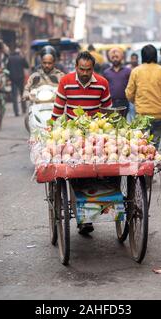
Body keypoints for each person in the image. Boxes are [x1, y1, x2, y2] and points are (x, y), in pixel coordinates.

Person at [51, 51, 112, 235]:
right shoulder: (66, 81)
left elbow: (107, 111)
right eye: (81, 69)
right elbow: (58, 109)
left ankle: (90, 211)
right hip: (72, 132)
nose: (85, 73)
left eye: (88, 69)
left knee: (97, 172)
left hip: (95, 133)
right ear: (76, 67)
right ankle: (83, 215)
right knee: (75, 173)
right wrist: (51, 131)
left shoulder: (102, 83)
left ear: (93, 69)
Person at [125, 44, 161, 152]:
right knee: (155, 144)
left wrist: (136, 102)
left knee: (142, 144)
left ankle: (144, 165)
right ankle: (153, 165)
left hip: (142, 114)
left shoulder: (136, 71)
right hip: (159, 114)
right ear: (156, 56)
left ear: (142, 56)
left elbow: (129, 93)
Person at [103, 47, 131, 117]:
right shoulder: (106, 72)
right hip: (111, 103)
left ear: (121, 57)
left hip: (124, 102)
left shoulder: (128, 71)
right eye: (113, 57)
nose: (115, 59)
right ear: (110, 58)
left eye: (117, 57)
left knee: (123, 122)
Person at [7, 48, 29, 116]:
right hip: (20, 78)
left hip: (13, 79)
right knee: (22, 94)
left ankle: (16, 112)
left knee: (14, 96)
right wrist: (24, 58)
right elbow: (27, 66)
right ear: (19, 53)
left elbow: (7, 67)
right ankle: (24, 109)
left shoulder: (10, 59)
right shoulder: (21, 58)